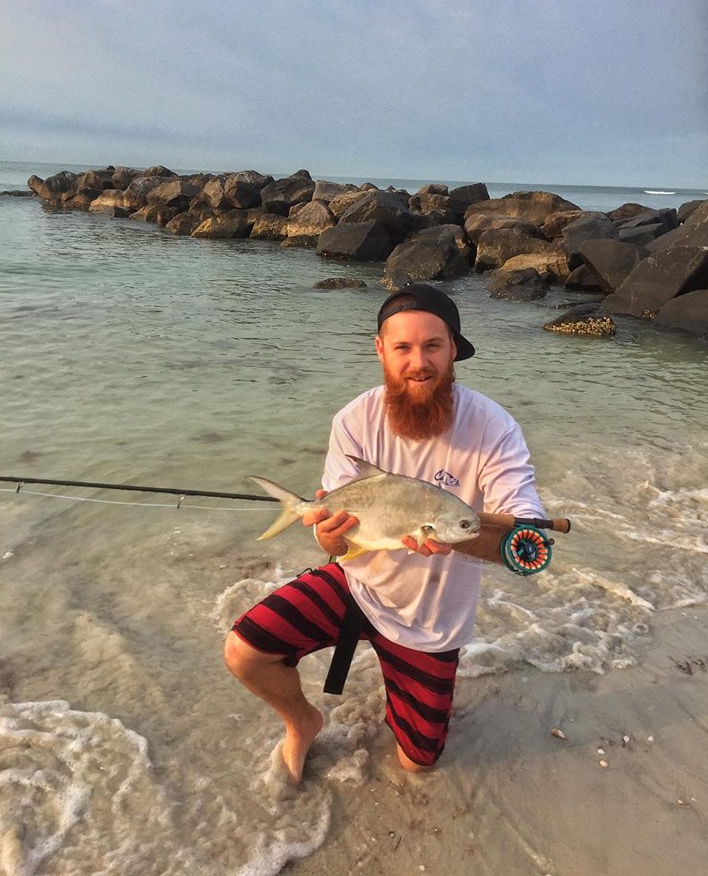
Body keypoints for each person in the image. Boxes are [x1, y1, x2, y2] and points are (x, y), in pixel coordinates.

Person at [224, 283, 545, 784]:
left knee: (418, 764)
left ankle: (404, 697)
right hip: (357, 584)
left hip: (431, 616)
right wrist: (329, 535)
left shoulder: (493, 428)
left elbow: (527, 544)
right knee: (245, 652)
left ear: (454, 348)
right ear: (380, 350)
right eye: (403, 348)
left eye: (433, 346)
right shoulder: (355, 419)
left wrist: (461, 537)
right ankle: (303, 721)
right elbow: (335, 543)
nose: (419, 362)